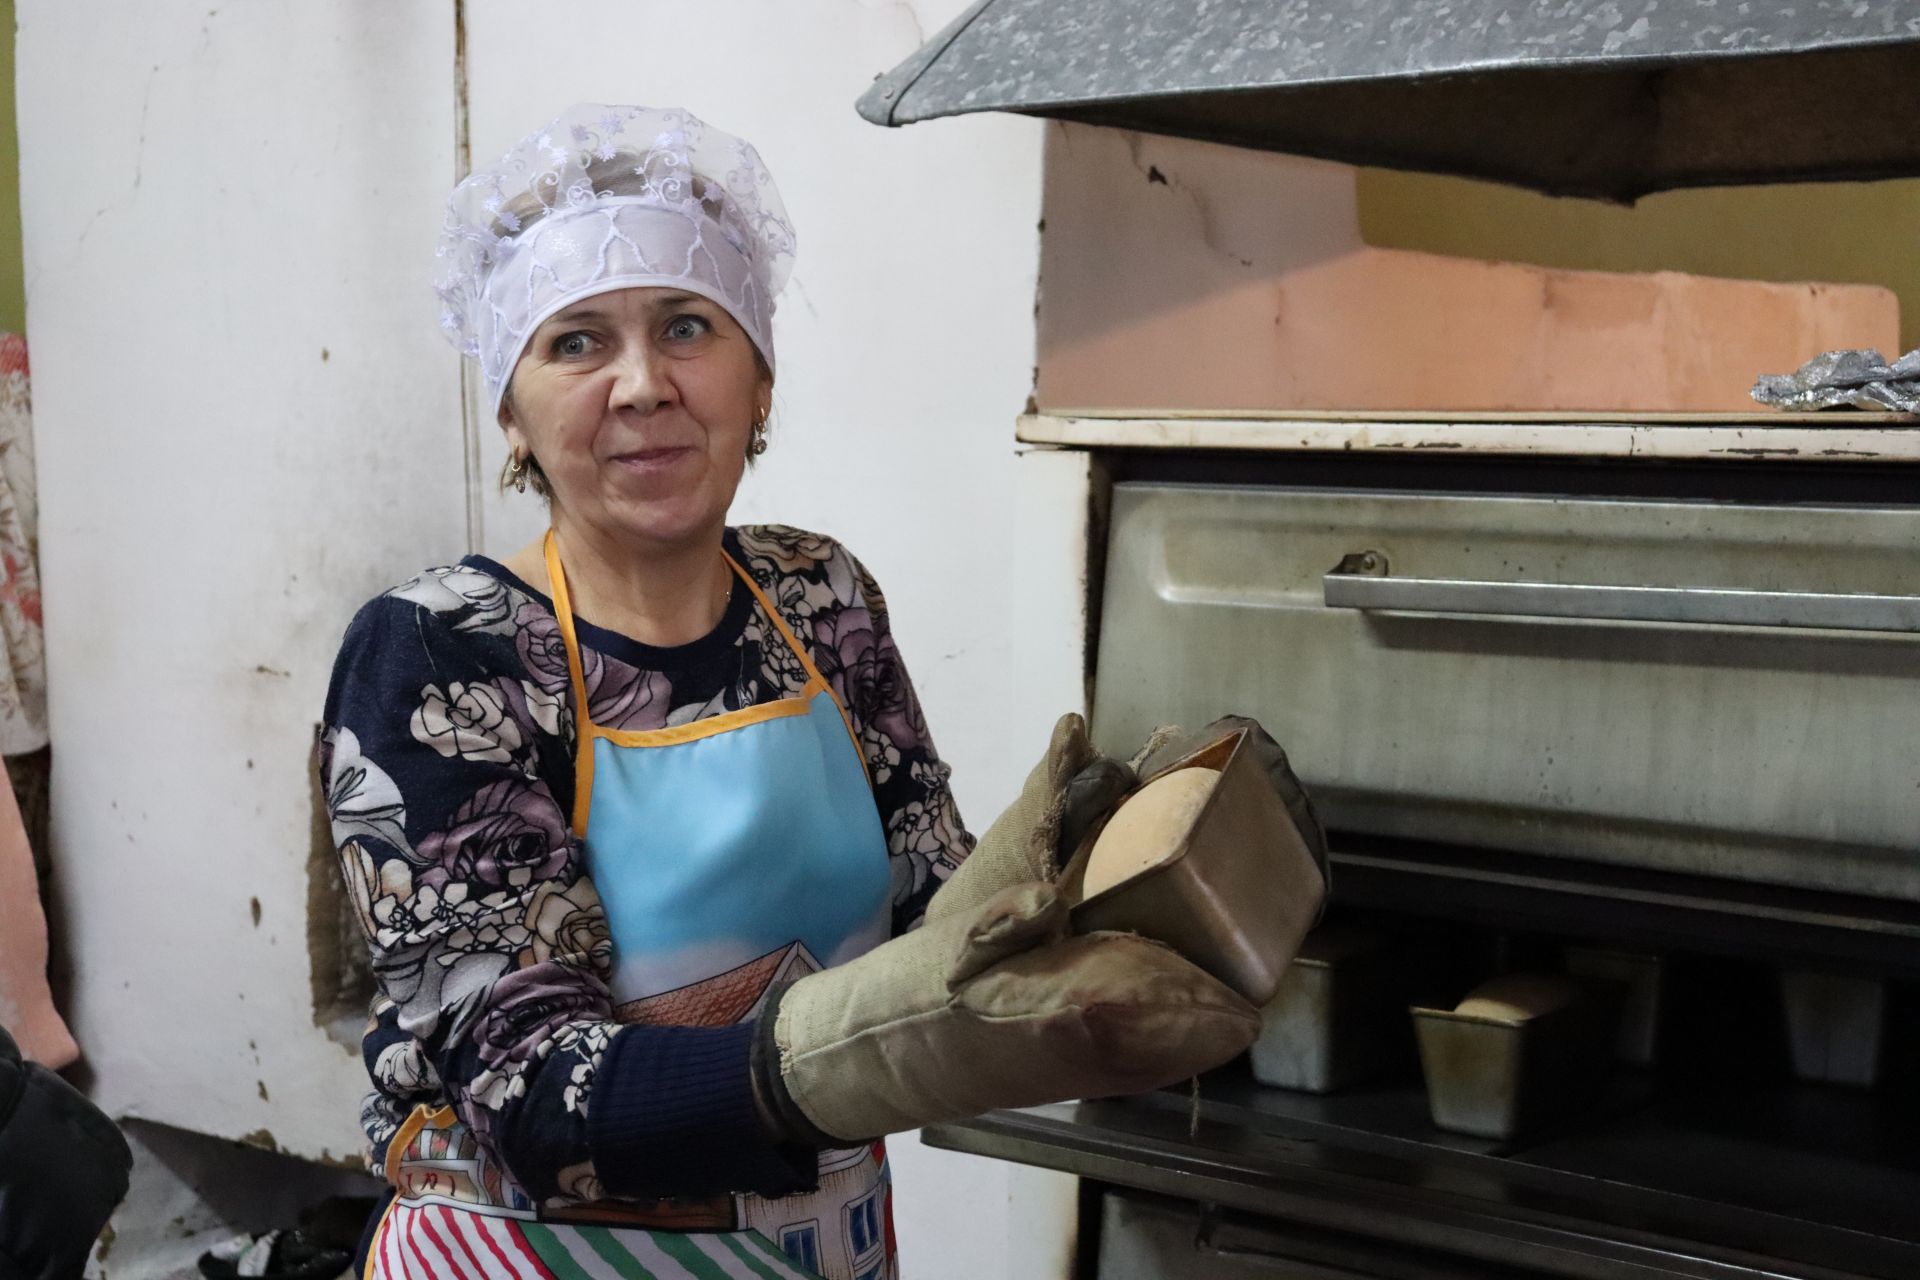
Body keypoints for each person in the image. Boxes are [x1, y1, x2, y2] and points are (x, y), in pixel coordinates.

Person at [322, 104, 1318, 1280]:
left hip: (829, 1240)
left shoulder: (817, 594)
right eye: (576, 342)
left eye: (688, 325)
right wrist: (820, 1060)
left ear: (759, 373)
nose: (642, 386)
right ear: (514, 406)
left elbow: (932, 909)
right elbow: (525, 1083)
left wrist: (1100, 888)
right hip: (543, 1251)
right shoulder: (443, 649)